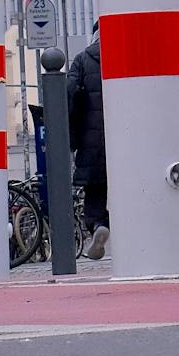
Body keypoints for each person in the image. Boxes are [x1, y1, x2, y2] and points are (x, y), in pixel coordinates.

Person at [67, 27, 108, 261]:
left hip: (90, 140)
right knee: (130, 188)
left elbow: (69, 97)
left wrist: (72, 139)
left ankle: (98, 224)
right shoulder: (124, 56)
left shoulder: (82, 60)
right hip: (125, 138)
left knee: (95, 190)